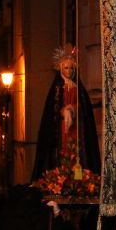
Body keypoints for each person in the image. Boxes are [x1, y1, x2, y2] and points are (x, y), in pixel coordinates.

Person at [31, 44, 101, 181]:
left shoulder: (78, 89)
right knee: (63, 150)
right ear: (60, 69)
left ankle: (78, 179)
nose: (69, 71)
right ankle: (61, 177)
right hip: (62, 129)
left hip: (76, 128)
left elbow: (84, 108)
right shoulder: (57, 88)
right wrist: (63, 112)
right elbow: (53, 110)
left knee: (77, 153)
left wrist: (73, 109)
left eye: (71, 68)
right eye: (66, 68)